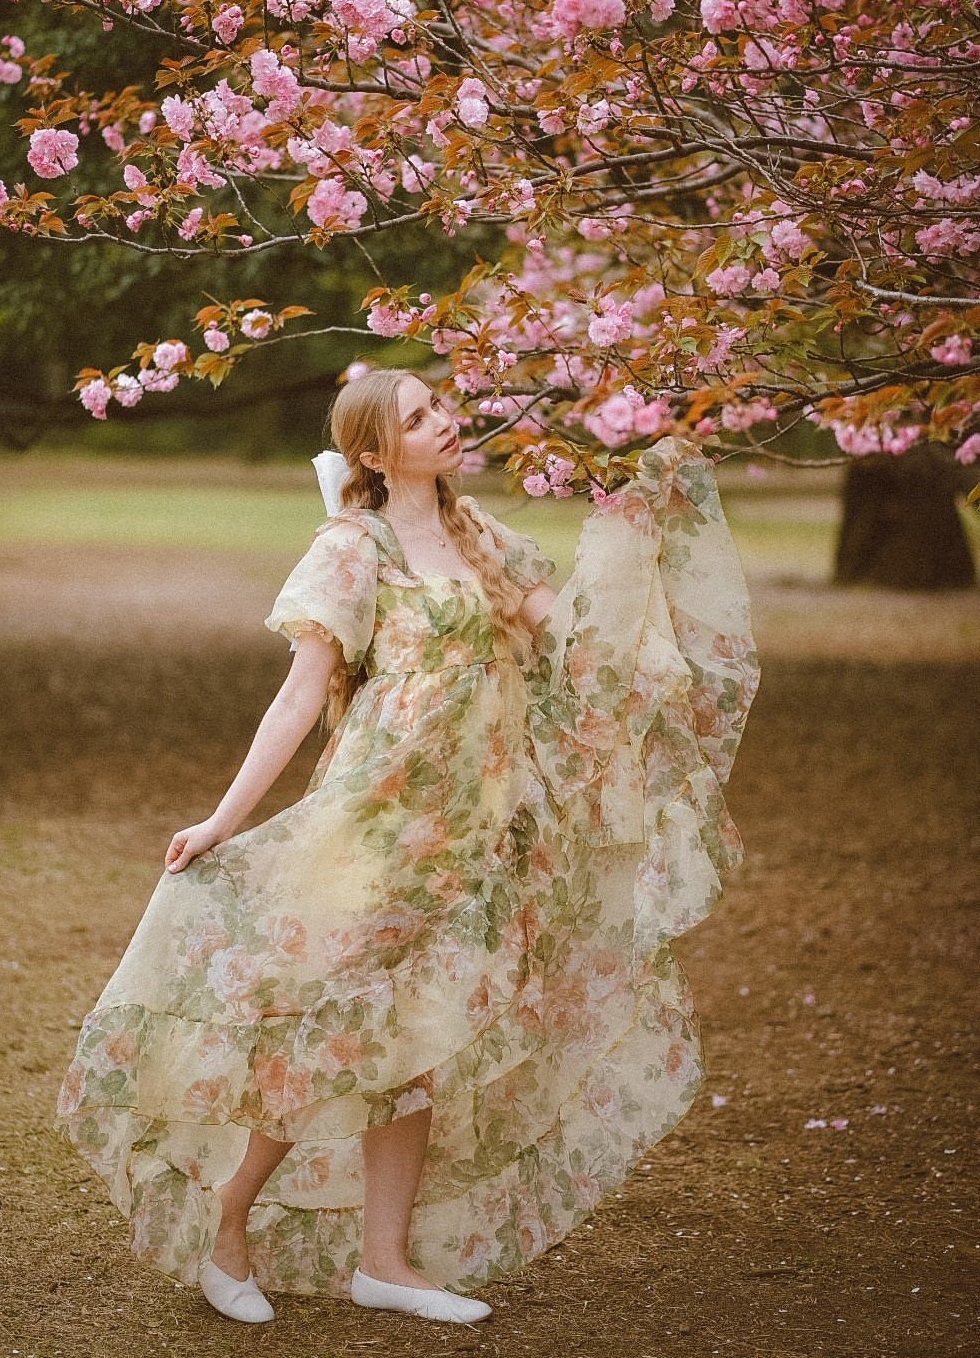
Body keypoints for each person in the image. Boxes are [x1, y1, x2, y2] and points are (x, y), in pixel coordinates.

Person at [56, 366, 760, 1327]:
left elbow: (573, 648)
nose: (446, 422)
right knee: (326, 1031)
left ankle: (383, 1262)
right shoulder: (354, 548)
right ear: (374, 454)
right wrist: (224, 817)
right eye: (418, 417)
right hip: (377, 827)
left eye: (442, 406)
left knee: (418, 1035)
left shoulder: (484, 542)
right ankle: (227, 1218)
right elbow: (300, 696)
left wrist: (635, 536)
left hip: (472, 834)